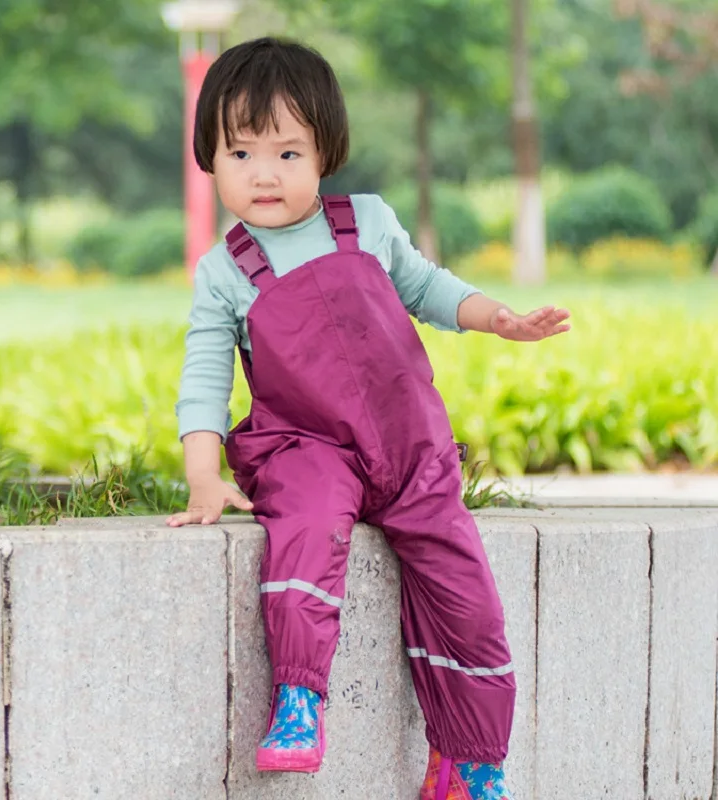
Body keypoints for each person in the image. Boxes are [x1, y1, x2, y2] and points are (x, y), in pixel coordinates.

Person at [166, 36, 570, 800]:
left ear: (327, 152)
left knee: (465, 587)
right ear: (209, 158)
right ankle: (299, 699)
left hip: (407, 444)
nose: (264, 173)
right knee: (309, 524)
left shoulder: (369, 223)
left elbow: (431, 288)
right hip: (305, 446)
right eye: (242, 152)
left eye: (288, 153)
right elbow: (204, 375)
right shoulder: (226, 272)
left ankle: (470, 759)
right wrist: (203, 474)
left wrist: (501, 319)